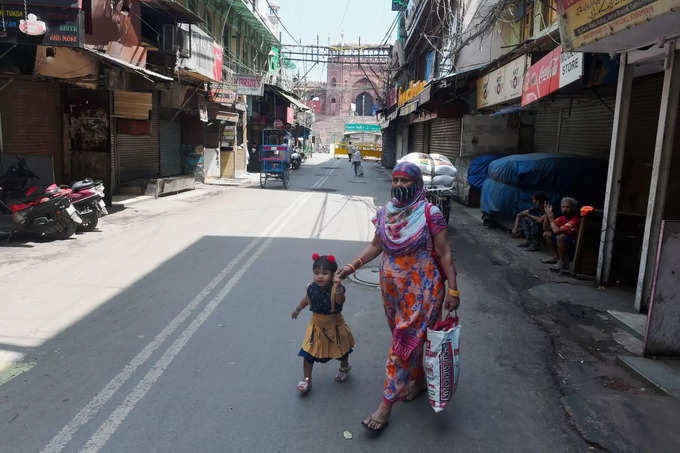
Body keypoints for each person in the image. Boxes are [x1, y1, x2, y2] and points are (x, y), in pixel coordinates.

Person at [335, 162, 460, 433]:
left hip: (424, 289)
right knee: (404, 338)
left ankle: (385, 406)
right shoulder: (386, 213)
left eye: (406, 181)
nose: (400, 185)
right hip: (392, 290)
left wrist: (453, 289)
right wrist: (351, 266)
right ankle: (419, 380)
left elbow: (445, 252)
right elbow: (376, 246)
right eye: (396, 180)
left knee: (402, 345)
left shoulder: (430, 213)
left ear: (417, 184)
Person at [292, 254, 355, 395]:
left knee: (342, 352)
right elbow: (306, 300)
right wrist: (297, 309)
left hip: (335, 327)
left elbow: (340, 301)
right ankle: (307, 380)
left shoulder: (337, 289)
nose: (320, 276)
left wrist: (338, 285)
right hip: (316, 327)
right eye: (316, 273)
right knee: (307, 354)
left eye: (325, 273)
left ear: (333, 275)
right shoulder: (311, 287)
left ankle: (344, 367)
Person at [542, 197, 580, 271]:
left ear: (573, 208)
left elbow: (556, 231)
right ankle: (556, 257)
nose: (565, 209)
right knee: (546, 234)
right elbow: (545, 228)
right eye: (563, 207)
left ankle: (563, 262)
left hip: (573, 244)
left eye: (567, 207)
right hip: (563, 241)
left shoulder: (575, 219)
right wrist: (547, 215)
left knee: (560, 236)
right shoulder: (561, 218)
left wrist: (551, 219)